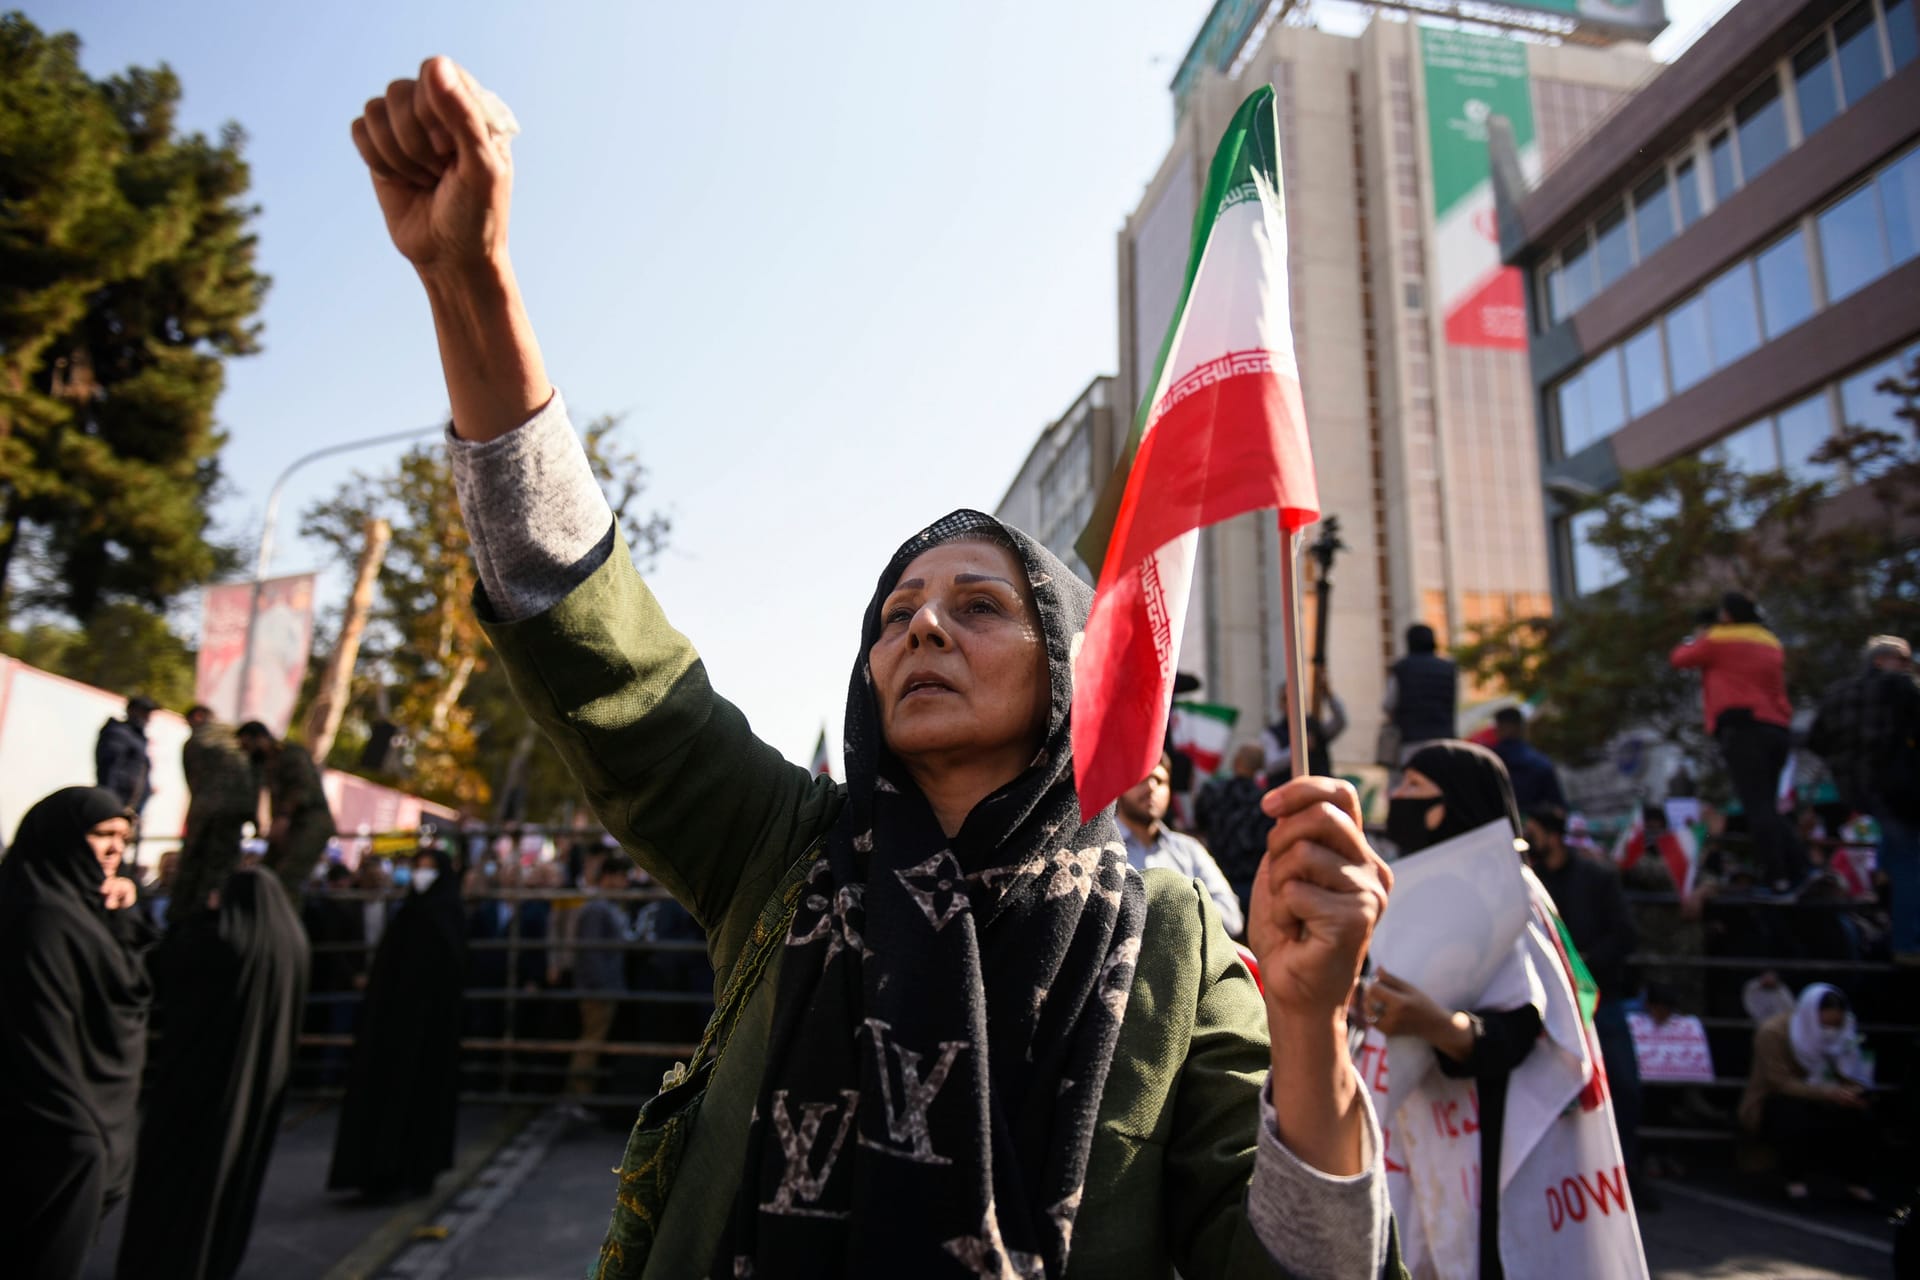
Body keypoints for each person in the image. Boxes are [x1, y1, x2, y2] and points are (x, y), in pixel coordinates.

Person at [348, 56, 1396, 1278]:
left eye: (979, 605)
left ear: (1065, 674)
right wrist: (468, 280)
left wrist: (1312, 1022)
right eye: (896, 610)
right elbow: (598, 644)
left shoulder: (1170, 934)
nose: (925, 629)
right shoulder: (784, 853)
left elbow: (1293, 1266)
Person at [1363, 743, 1646, 1278]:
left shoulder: (1508, 894)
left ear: (1453, 804)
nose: (1395, 797)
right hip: (1438, 1141)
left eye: (1413, 786)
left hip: (1493, 1149)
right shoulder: (1440, 891)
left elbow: (1516, 1032)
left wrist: (1433, 1025)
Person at [115, 866, 310, 1280]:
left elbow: (158, 965)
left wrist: (128, 914)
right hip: (257, 1090)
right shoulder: (290, 941)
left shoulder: (221, 942)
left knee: (177, 1187)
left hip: (197, 1089)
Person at [0, 788, 151, 1279]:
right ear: (63, 838)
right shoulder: (39, 917)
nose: (114, 850)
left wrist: (122, 914)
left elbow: (129, 990)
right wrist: (78, 1136)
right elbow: (38, 1038)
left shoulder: (83, 908)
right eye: (101, 834)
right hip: (50, 1133)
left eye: (122, 839)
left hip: (92, 1125)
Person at [327, 848, 467, 1202]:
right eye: (416, 867)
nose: (420, 875)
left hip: (426, 1035)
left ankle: (411, 1171)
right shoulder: (408, 914)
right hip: (390, 1030)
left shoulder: (444, 916)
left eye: (428, 869)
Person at [1524, 807, 1646, 1206]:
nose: (1528, 839)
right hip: (1550, 1008)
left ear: (1553, 836)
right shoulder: (1531, 881)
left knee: (1622, 1088)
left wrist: (1584, 968)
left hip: (1600, 1003)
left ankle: (1627, 1176)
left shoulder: (1597, 878)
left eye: (1535, 832)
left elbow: (1625, 934)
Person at [1669, 593, 1807, 889]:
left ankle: (1778, 876)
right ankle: (1800, 869)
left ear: (1728, 615)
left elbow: (1680, 658)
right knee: (1768, 806)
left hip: (1743, 729)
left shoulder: (1719, 639)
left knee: (1756, 806)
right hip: (1778, 728)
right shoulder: (1770, 640)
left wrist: (1700, 635)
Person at [1810, 635, 1920, 964]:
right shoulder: (1900, 688)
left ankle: (1883, 878)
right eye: (1902, 659)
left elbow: (1816, 740)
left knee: (1897, 849)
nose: (1907, 666)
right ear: (1880, 660)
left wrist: (1847, 760)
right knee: (1910, 863)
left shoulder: (1837, 693)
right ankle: (1908, 944)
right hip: (1899, 791)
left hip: (1856, 790)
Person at [1737, 983, 1881, 1202]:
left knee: (1862, 1115)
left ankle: (1857, 1183)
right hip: (1777, 1099)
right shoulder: (1773, 1032)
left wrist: (1854, 1092)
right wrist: (1828, 1093)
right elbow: (1779, 1081)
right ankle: (1795, 1181)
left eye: (1835, 1024)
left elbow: (1851, 1071)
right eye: (1825, 1023)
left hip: (1829, 1096)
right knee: (1792, 1113)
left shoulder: (1843, 1033)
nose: (1829, 1030)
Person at [1118, 754, 1246, 936]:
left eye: (1159, 781)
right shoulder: (1100, 851)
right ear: (1119, 788)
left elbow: (1230, 917)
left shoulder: (1189, 850)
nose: (1151, 787)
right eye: (1141, 779)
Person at [176, 705, 259, 931]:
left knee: (191, 865)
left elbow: (191, 781)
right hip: (233, 814)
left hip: (203, 812)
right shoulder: (237, 740)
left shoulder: (195, 741)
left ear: (198, 717)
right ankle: (210, 922)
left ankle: (182, 922)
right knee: (221, 870)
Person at [236, 721, 339, 897]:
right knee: (265, 876)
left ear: (260, 738)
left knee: (287, 881)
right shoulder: (264, 764)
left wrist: (283, 818)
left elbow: (301, 789)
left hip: (311, 823)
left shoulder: (290, 753)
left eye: (248, 745)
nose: (248, 752)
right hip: (290, 826)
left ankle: (283, 923)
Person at [568, 857, 635, 1107]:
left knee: (593, 1041)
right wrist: (601, 985)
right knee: (591, 1041)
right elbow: (590, 951)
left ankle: (581, 1095)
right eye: (621, 877)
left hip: (603, 985)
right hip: (599, 988)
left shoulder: (604, 906)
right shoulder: (597, 908)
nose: (625, 883)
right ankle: (579, 1096)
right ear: (609, 877)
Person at [1195, 742, 1276, 914]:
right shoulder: (1268, 803)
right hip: (1251, 887)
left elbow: (1199, 824)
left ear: (1236, 762)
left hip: (1215, 881)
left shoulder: (1212, 792)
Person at [1384, 624, 1456, 763]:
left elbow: (1388, 704)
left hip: (1411, 740)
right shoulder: (1448, 668)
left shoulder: (1402, 668)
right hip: (1444, 739)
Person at [1488, 707, 1564, 818]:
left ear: (1498, 728)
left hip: (1500, 827)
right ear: (1522, 728)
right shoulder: (1541, 761)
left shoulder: (1488, 762)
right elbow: (1558, 807)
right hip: (1536, 827)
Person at [1261, 682, 1347, 779]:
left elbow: (1340, 722)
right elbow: (1272, 765)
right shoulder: (1272, 733)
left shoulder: (1314, 726)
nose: (1290, 702)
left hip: (1320, 787)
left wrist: (1328, 695)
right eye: (1285, 699)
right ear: (1280, 704)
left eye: (1295, 698)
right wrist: (1299, 747)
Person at [95, 695, 156, 815]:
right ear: (131, 710)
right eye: (144, 712)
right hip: (119, 802)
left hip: (133, 804)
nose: (148, 717)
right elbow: (108, 767)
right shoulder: (118, 734)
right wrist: (109, 801)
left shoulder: (137, 737)